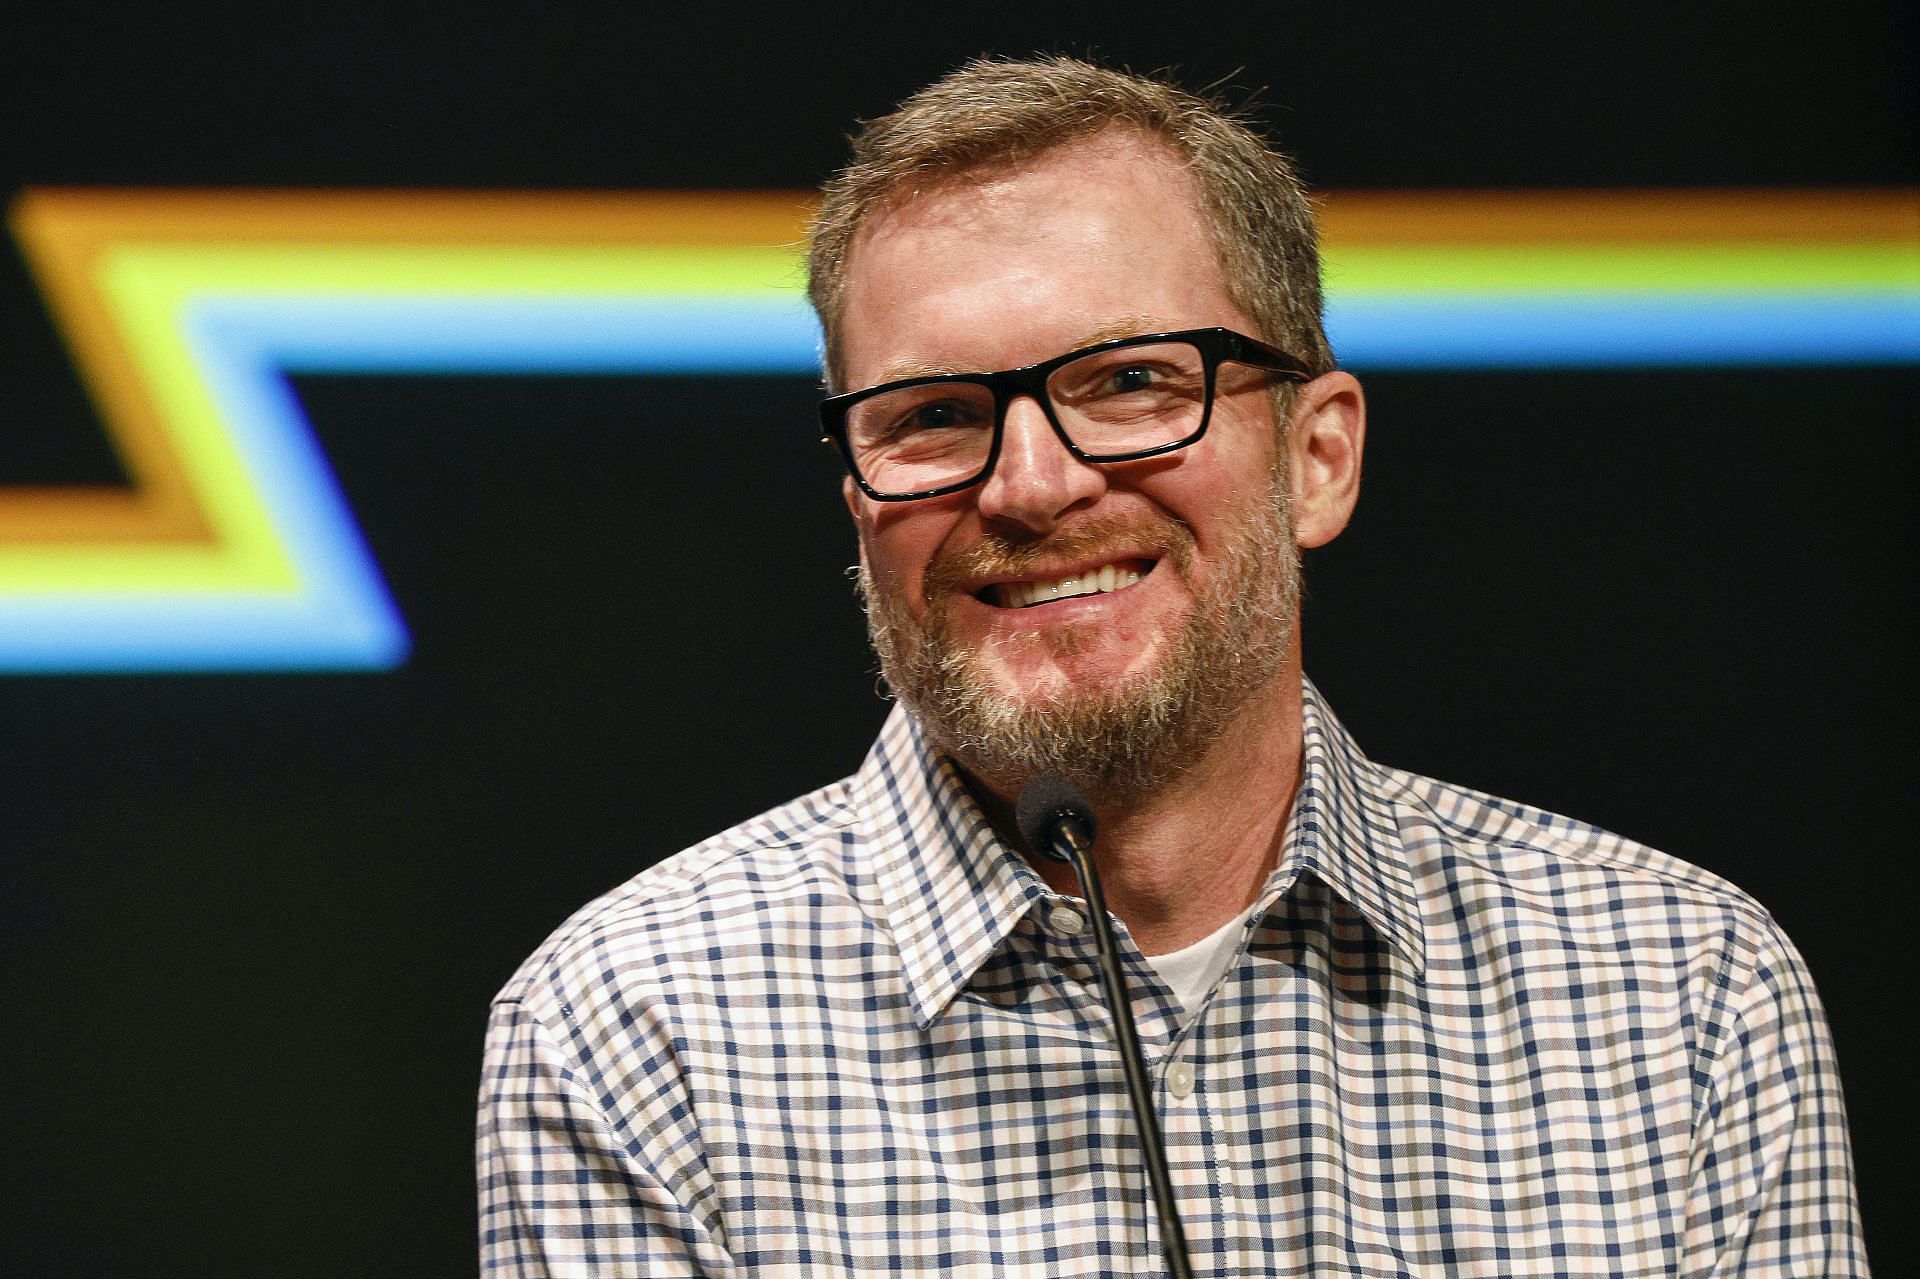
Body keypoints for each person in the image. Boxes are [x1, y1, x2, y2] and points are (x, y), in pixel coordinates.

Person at [477, 56, 1866, 1276]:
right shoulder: (631, 1031)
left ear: (1318, 457)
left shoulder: (1682, 995)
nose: (1029, 485)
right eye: (935, 416)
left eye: (1131, 383)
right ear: (856, 496)